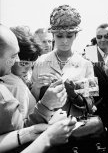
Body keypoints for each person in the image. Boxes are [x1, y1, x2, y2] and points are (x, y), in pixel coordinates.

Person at [0, 24, 77, 152]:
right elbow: (18, 137)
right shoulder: (9, 92)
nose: (17, 60)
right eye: (14, 56)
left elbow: (17, 135)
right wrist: (48, 135)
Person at [31, 5, 95, 117]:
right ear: (53, 35)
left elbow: (90, 105)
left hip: (75, 126)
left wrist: (74, 93)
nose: (64, 41)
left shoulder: (86, 64)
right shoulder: (40, 62)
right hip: (46, 126)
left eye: (69, 36)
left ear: (76, 35)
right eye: (60, 36)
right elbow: (31, 102)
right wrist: (36, 87)